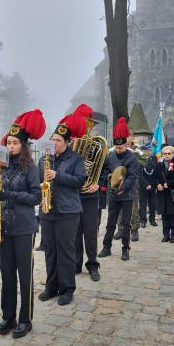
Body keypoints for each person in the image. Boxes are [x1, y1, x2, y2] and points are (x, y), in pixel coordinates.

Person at [0, 110, 44, 338]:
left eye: (15, 143)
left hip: (24, 228)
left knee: (25, 275)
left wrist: (10, 195)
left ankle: (25, 319)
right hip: (4, 228)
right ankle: (8, 316)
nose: (10, 146)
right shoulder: (1, 167)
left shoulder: (30, 168)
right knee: (6, 275)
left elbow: (36, 197)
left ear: (23, 145)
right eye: (8, 143)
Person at [38, 112, 87, 306]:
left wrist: (57, 175)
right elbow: (37, 181)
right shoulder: (44, 158)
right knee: (50, 251)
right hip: (48, 210)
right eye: (53, 139)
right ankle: (52, 287)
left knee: (66, 251)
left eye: (58, 140)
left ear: (68, 142)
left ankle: (67, 289)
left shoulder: (75, 159)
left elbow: (79, 181)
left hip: (68, 211)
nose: (55, 143)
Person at [99, 118, 141, 261]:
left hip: (127, 195)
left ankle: (125, 249)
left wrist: (123, 187)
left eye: (121, 148)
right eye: (116, 148)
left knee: (126, 223)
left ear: (126, 145)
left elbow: (133, 176)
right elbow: (105, 171)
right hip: (113, 195)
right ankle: (106, 247)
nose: (118, 150)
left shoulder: (132, 159)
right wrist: (105, 182)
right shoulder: (110, 157)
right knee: (110, 223)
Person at [73, 104, 105, 282]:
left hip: (90, 195)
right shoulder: (70, 146)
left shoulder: (96, 145)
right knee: (75, 232)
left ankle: (92, 265)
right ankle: (76, 264)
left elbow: (104, 169)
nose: (85, 128)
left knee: (91, 232)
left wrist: (98, 184)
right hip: (73, 194)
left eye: (87, 124)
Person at [155, 145, 174, 243]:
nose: (167, 155)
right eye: (165, 154)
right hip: (163, 194)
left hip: (173, 193)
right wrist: (157, 184)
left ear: (172, 154)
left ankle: (173, 235)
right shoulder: (159, 165)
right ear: (162, 155)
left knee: (173, 216)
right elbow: (154, 178)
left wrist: (169, 183)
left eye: (169, 153)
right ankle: (165, 235)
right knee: (164, 216)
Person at [138, 142, 158, 228]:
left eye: (150, 149)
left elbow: (156, 172)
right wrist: (146, 184)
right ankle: (143, 220)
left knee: (152, 203)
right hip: (143, 186)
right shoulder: (140, 160)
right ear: (144, 151)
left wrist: (153, 184)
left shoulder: (154, 159)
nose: (150, 151)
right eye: (148, 150)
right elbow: (139, 174)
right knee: (143, 204)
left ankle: (152, 220)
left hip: (152, 185)